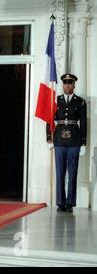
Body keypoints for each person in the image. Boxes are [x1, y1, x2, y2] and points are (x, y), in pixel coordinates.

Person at [47, 74, 87, 213]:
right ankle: (60, 202)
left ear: (74, 85)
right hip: (59, 139)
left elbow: (84, 123)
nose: (67, 86)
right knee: (59, 172)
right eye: (65, 83)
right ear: (62, 85)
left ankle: (70, 203)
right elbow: (49, 119)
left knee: (72, 172)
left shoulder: (80, 102)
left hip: (74, 140)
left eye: (70, 83)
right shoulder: (56, 101)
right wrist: (49, 138)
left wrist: (83, 143)